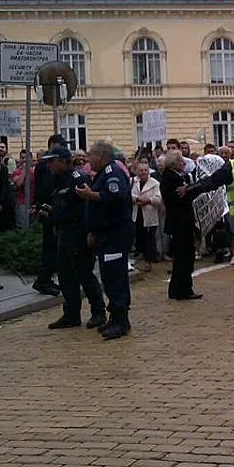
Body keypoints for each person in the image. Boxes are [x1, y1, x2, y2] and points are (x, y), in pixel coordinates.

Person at [41, 146, 107, 330]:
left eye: (52, 161)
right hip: (64, 233)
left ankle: (98, 312)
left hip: (79, 234)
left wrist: (91, 232)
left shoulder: (78, 179)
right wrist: (50, 213)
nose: (49, 165)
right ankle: (71, 314)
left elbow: (87, 208)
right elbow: (63, 207)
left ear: (63, 161)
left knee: (85, 274)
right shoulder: (59, 180)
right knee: (65, 276)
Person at [75, 141, 135, 340]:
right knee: (109, 277)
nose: (88, 159)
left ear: (101, 156)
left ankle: (121, 320)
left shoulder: (112, 173)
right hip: (106, 236)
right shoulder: (103, 173)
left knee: (115, 278)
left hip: (115, 236)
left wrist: (91, 195)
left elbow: (115, 198)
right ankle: (115, 316)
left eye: (91, 155)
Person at [160, 150, 205, 300]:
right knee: (184, 257)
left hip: (179, 221)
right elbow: (182, 198)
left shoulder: (173, 176)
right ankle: (184, 289)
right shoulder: (172, 178)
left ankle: (176, 288)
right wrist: (191, 190)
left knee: (181, 257)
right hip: (180, 222)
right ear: (173, 164)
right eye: (180, 161)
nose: (184, 163)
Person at [33, 134, 67, 297]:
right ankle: (43, 280)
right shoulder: (46, 165)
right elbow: (48, 188)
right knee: (51, 248)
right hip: (49, 211)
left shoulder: (44, 164)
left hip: (48, 210)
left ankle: (46, 279)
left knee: (51, 247)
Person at [131, 162, 162, 268]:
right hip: (137, 214)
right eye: (141, 170)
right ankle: (142, 256)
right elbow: (129, 195)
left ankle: (149, 261)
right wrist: (137, 199)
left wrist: (147, 200)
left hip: (149, 215)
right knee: (139, 237)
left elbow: (158, 199)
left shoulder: (155, 183)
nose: (143, 172)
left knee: (150, 239)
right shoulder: (132, 181)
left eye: (145, 170)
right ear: (136, 171)